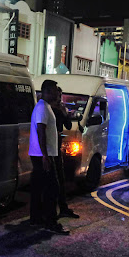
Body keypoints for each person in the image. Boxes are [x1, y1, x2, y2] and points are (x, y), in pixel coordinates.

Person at [28, 79, 69, 235]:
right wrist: (46, 155)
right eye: (53, 90)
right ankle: (51, 222)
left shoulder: (45, 107)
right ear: (46, 91)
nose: (55, 92)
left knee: (39, 188)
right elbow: (40, 131)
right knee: (52, 188)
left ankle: (36, 218)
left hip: (42, 154)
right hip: (43, 155)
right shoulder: (42, 109)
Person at [51, 87, 79, 219]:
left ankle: (63, 207)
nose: (59, 98)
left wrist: (65, 113)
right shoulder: (48, 108)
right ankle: (52, 211)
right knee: (54, 180)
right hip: (50, 146)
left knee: (61, 178)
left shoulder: (60, 109)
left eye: (60, 95)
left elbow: (68, 126)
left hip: (58, 145)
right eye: (57, 95)